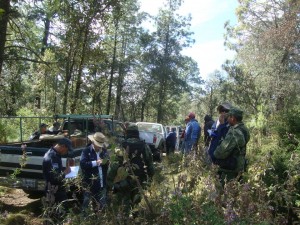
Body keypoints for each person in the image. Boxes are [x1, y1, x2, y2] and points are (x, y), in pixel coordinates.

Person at [107, 124, 154, 215]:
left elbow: (113, 166)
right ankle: (135, 218)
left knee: (124, 206)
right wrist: (150, 180)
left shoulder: (121, 147)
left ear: (127, 133)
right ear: (137, 133)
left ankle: (125, 219)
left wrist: (110, 183)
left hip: (122, 181)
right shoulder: (144, 146)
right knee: (136, 204)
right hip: (139, 181)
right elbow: (150, 165)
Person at [213, 107, 250, 185]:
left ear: (233, 118)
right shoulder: (244, 129)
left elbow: (221, 152)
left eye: (229, 117)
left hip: (230, 168)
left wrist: (215, 153)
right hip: (240, 164)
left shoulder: (234, 132)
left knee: (225, 191)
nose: (227, 119)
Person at [80, 132, 110, 213]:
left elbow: (107, 162)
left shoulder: (104, 151)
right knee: (86, 203)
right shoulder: (86, 151)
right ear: (93, 142)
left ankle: (100, 220)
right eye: (98, 144)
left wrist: (107, 162)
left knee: (102, 205)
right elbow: (83, 164)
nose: (99, 147)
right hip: (89, 183)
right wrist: (96, 163)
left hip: (101, 183)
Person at [42, 138, 73, 207]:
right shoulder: (52, 157)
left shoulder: (55, 154)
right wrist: (65, 172)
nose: (67, 152)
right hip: (53, 190)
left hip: (56, 189)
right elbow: (54, 178)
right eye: (67, 149)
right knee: (58, 212)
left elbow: (57, 171)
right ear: (63, 146)